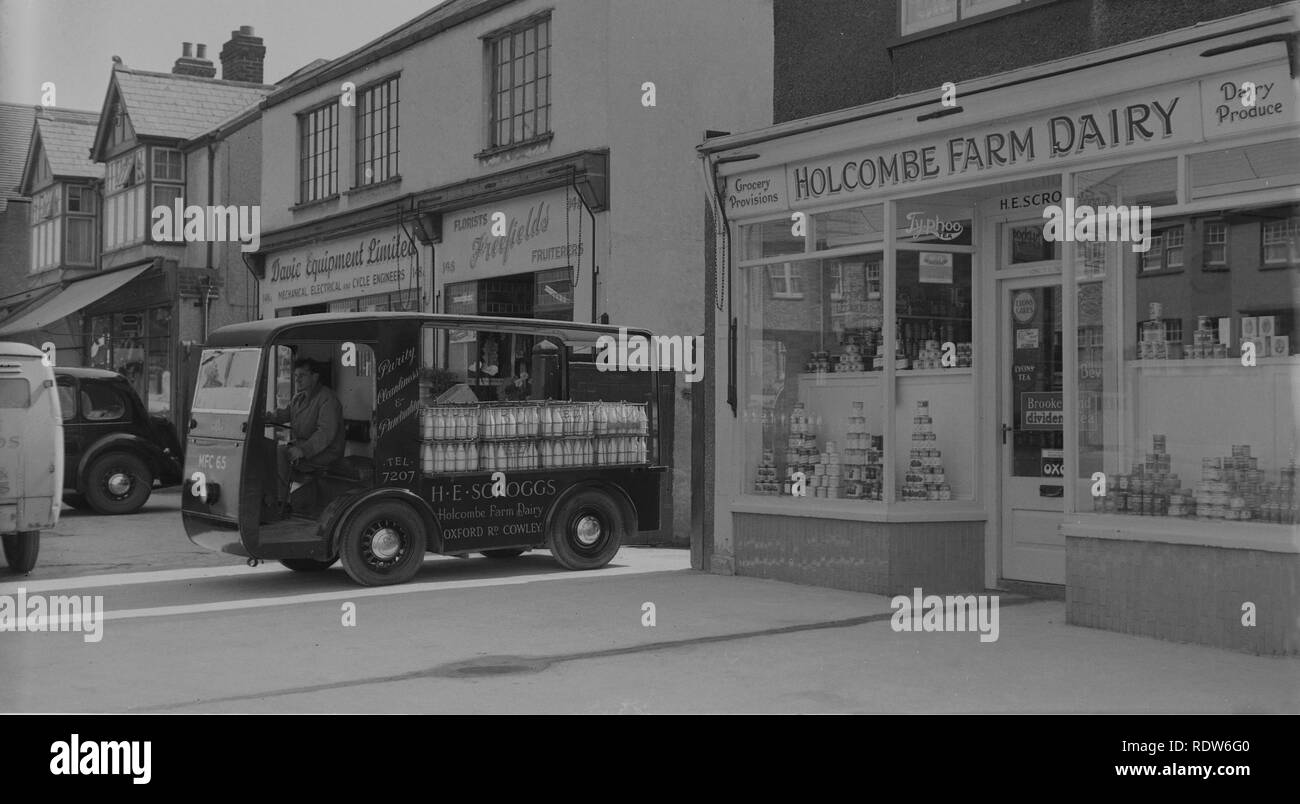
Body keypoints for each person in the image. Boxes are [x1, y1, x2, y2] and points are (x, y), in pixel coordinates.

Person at [272, 358, 345, 514]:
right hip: (304, 446)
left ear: (315, 377)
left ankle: (282, 504)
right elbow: (285, 414)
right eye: (296, 375)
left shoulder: (327, 399)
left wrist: (303, 450)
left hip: (326, 452)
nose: (297, 379)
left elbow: (325, 433)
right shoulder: (298, 398)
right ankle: (275, 500)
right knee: (270, 450)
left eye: (302, 375)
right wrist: (266, 417)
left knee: (280, 453)